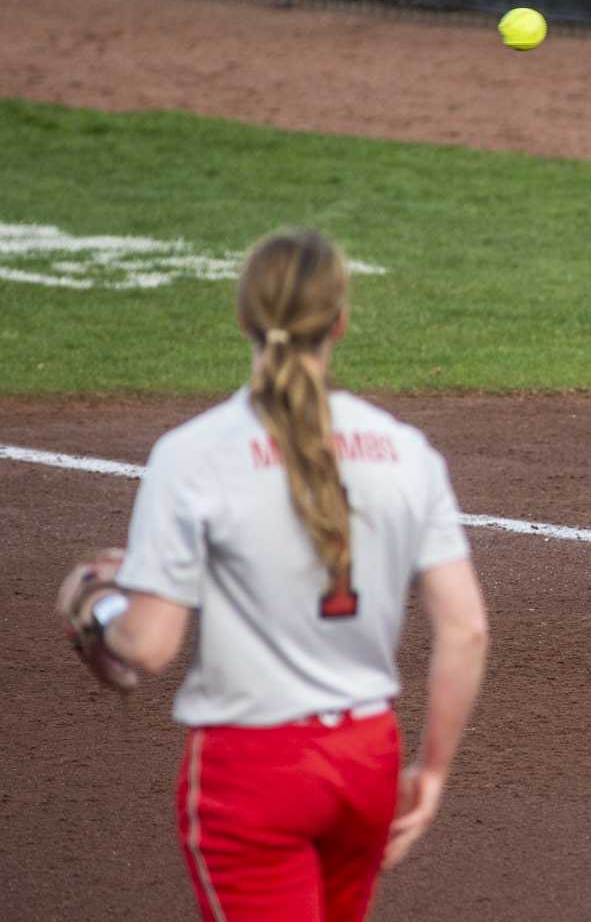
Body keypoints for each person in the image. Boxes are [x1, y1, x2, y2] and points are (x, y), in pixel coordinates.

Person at [56, 228, 489, 919]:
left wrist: (98, 605)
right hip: (367, 762)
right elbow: (464, 631)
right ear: (340, 323)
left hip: (254, 771)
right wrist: (431, 771)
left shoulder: (193, 454)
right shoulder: (406, 452)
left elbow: (147, 646)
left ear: (242, 319)